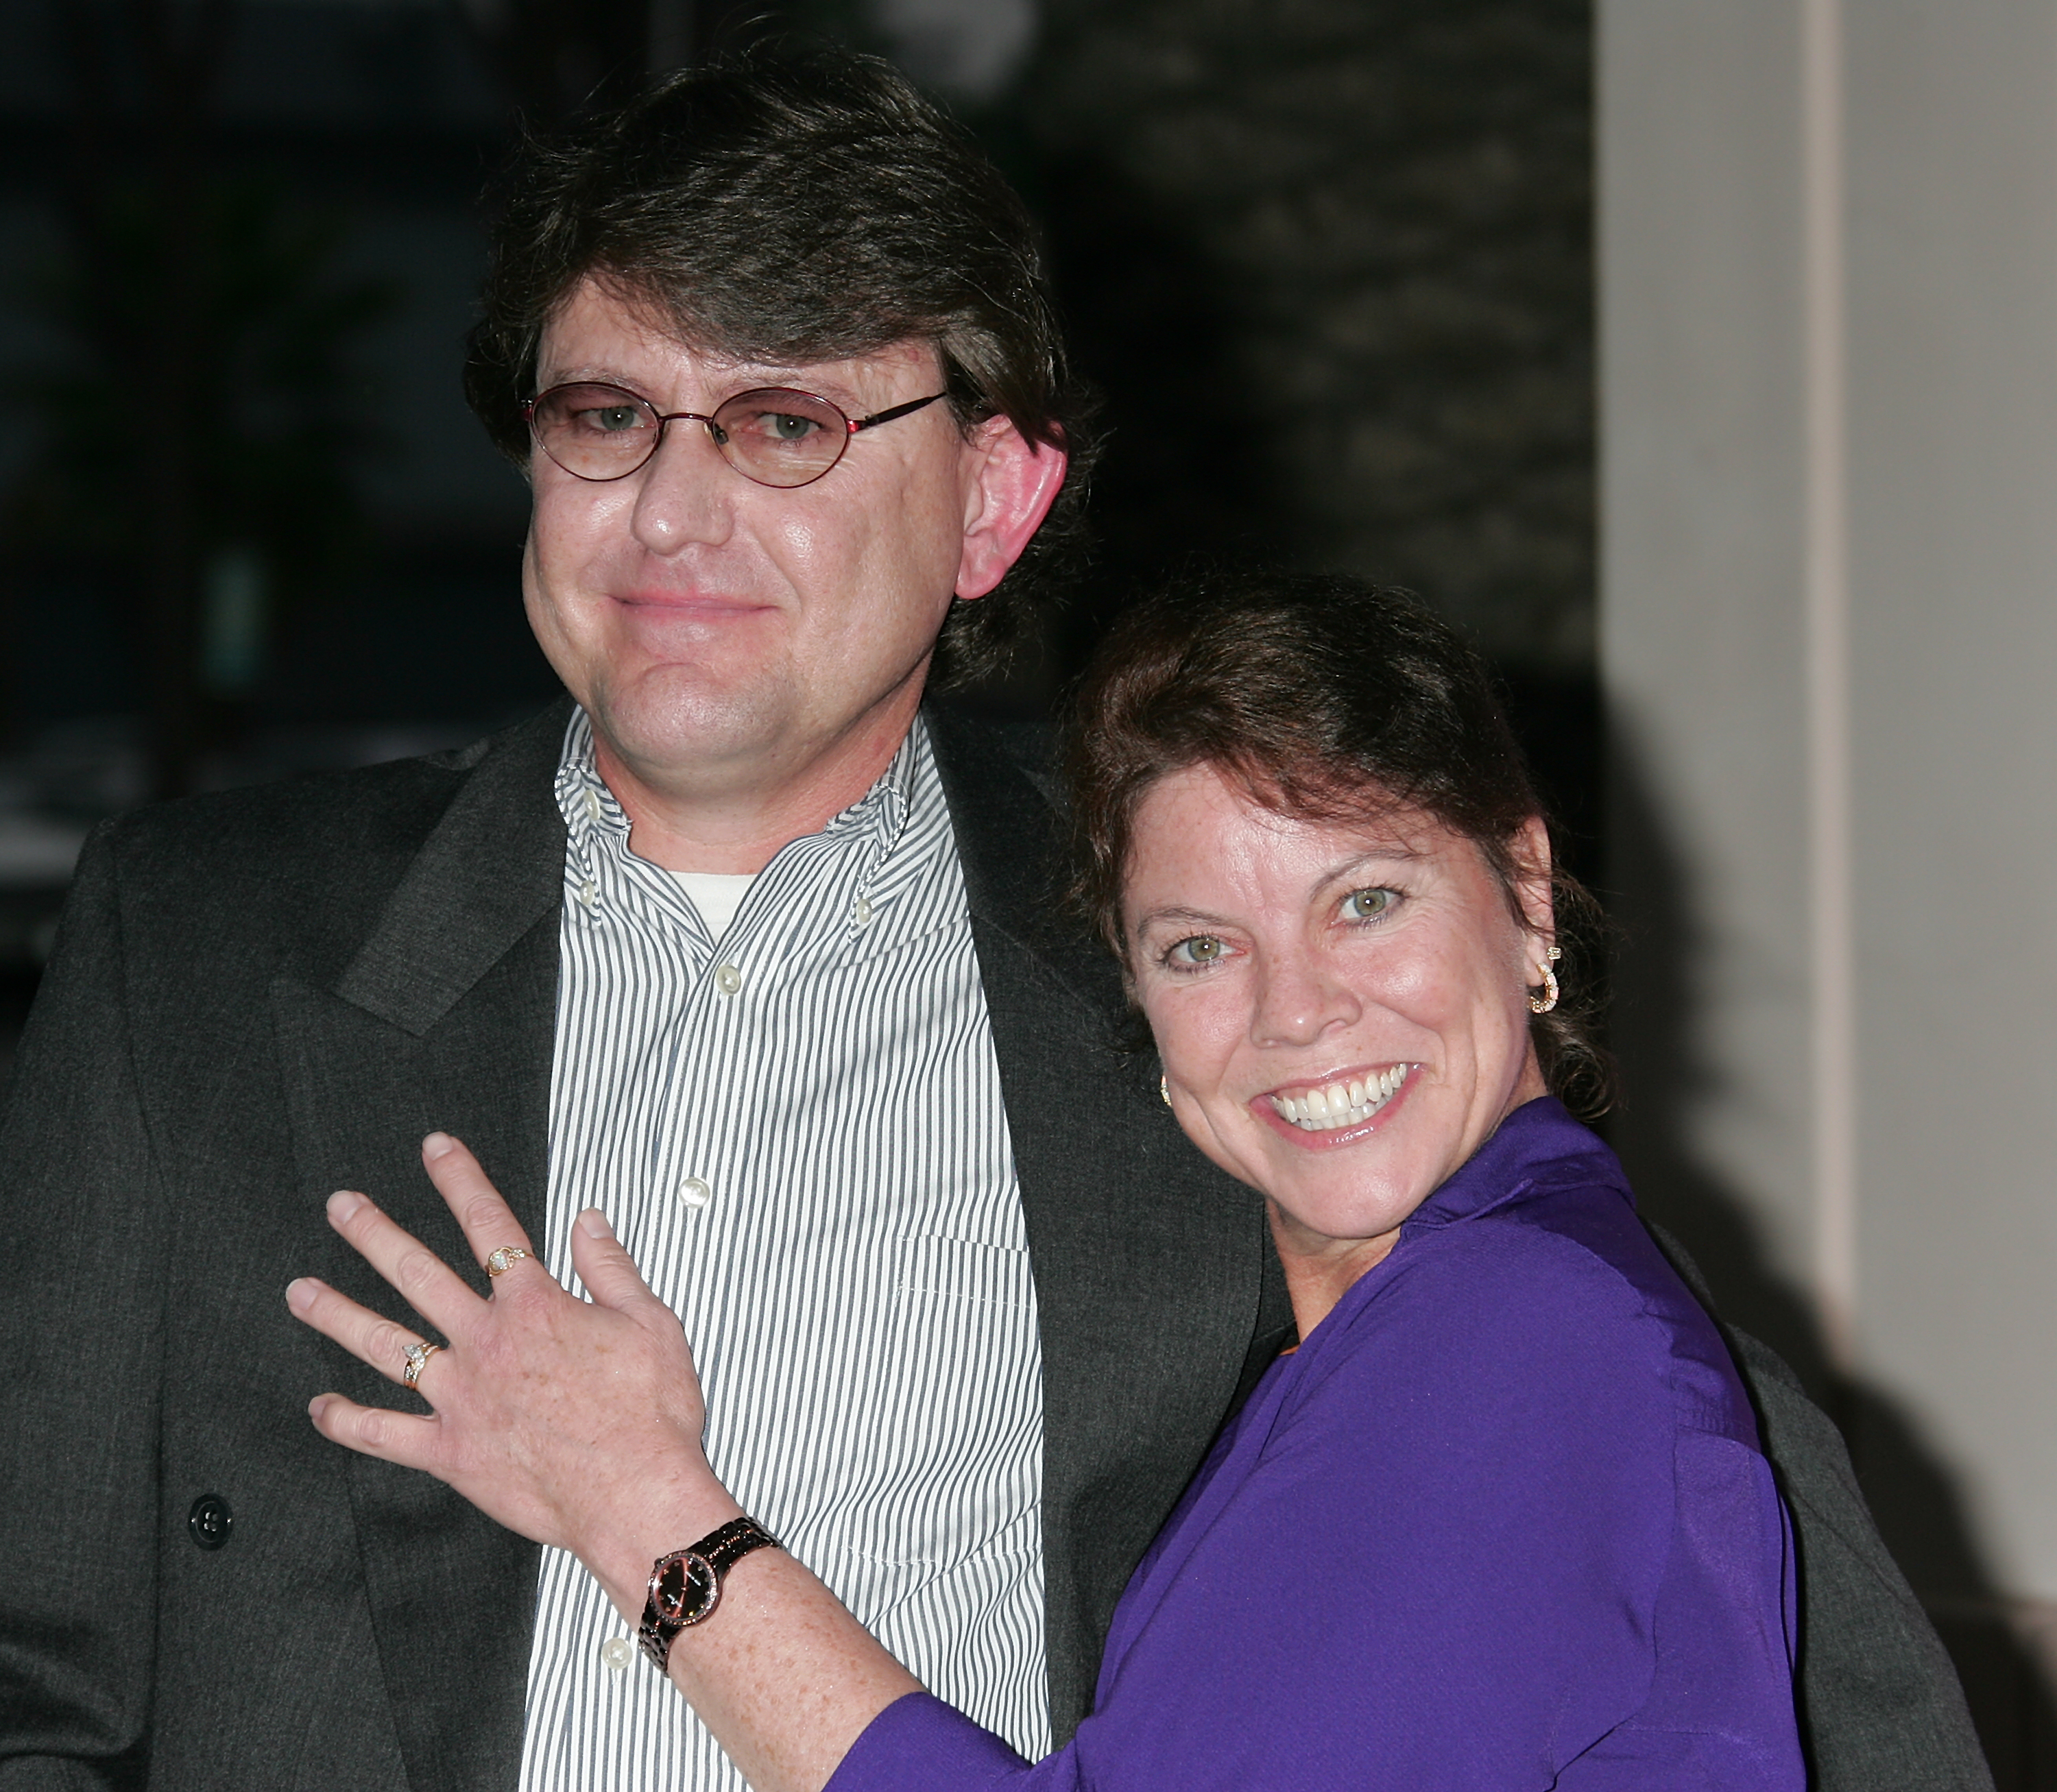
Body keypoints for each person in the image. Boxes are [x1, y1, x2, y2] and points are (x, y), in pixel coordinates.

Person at [0, 46, 1988, 1792]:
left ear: (993, 504)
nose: (667, 512)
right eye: (606, 415)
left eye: (784, 425)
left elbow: (1725, 1544)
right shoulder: (195, 949)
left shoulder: (1201, 954)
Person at [285, 574, 1807, 1789]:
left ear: (1525, 894)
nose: (1296, 1008)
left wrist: (639, 1507)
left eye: (1369, 898)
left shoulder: (1517, 1329)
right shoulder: (1428, 1321)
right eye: (1199, 945)